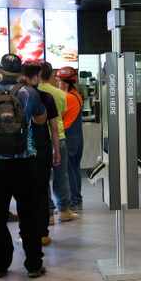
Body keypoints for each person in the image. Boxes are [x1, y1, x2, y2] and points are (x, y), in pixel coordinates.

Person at [0, 54, 47, 278]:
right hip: (25, 162)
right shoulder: (29, 93)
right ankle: (33, 264)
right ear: (20, 72)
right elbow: (41, 120)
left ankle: (0, 263)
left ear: (0, 70)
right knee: (29, 213)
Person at [22, 61, 60, 246]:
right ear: (36, 77)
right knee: (42, 189)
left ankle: (26, 233)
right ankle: (43, 233)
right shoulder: (46, 97)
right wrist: (56, 150)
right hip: (42, 149)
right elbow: (54, 128)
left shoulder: (17, 96)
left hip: (22, 151)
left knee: (25, 193)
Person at [39, 62, 76, 223]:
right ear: (51, 75)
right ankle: (64, 210)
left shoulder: (35, 92)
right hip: (59, 137)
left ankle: (48, 214)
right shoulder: (61, 94)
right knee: (61, 175)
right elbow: (60, 114)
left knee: (42, 177)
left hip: (42, 139)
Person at [57, 67, 84, 211]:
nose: (57, 83)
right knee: (75, 168)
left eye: (59, 81)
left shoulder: (67, 98)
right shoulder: (77, 95)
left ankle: (74, 200)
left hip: (69, 137)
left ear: (65, 83)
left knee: (69, 170)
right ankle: (77, 198)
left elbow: (58, 117)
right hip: (78, 136)